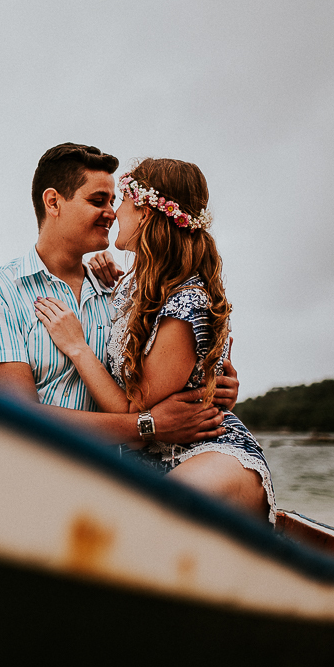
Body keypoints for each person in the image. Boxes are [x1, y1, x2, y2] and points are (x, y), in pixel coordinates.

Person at [33, 158, 274, 522]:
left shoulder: (186, 305)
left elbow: (134, 415)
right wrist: (116, 281)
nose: (114, 213)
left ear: (145, 213)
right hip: (149, 463)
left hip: (206, 455)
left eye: (123, 200)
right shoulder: (136, 287)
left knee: (141, 518)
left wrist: (78, 348)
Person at [0, 143, 239, 450]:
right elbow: (14, 417)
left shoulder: (122, 295)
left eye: (114, 200)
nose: (111, 212)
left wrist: (212, 388)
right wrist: (148, 426)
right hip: (28, 476)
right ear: (53, 202)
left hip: (108, 482)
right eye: (98, 200)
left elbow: (162, 378)